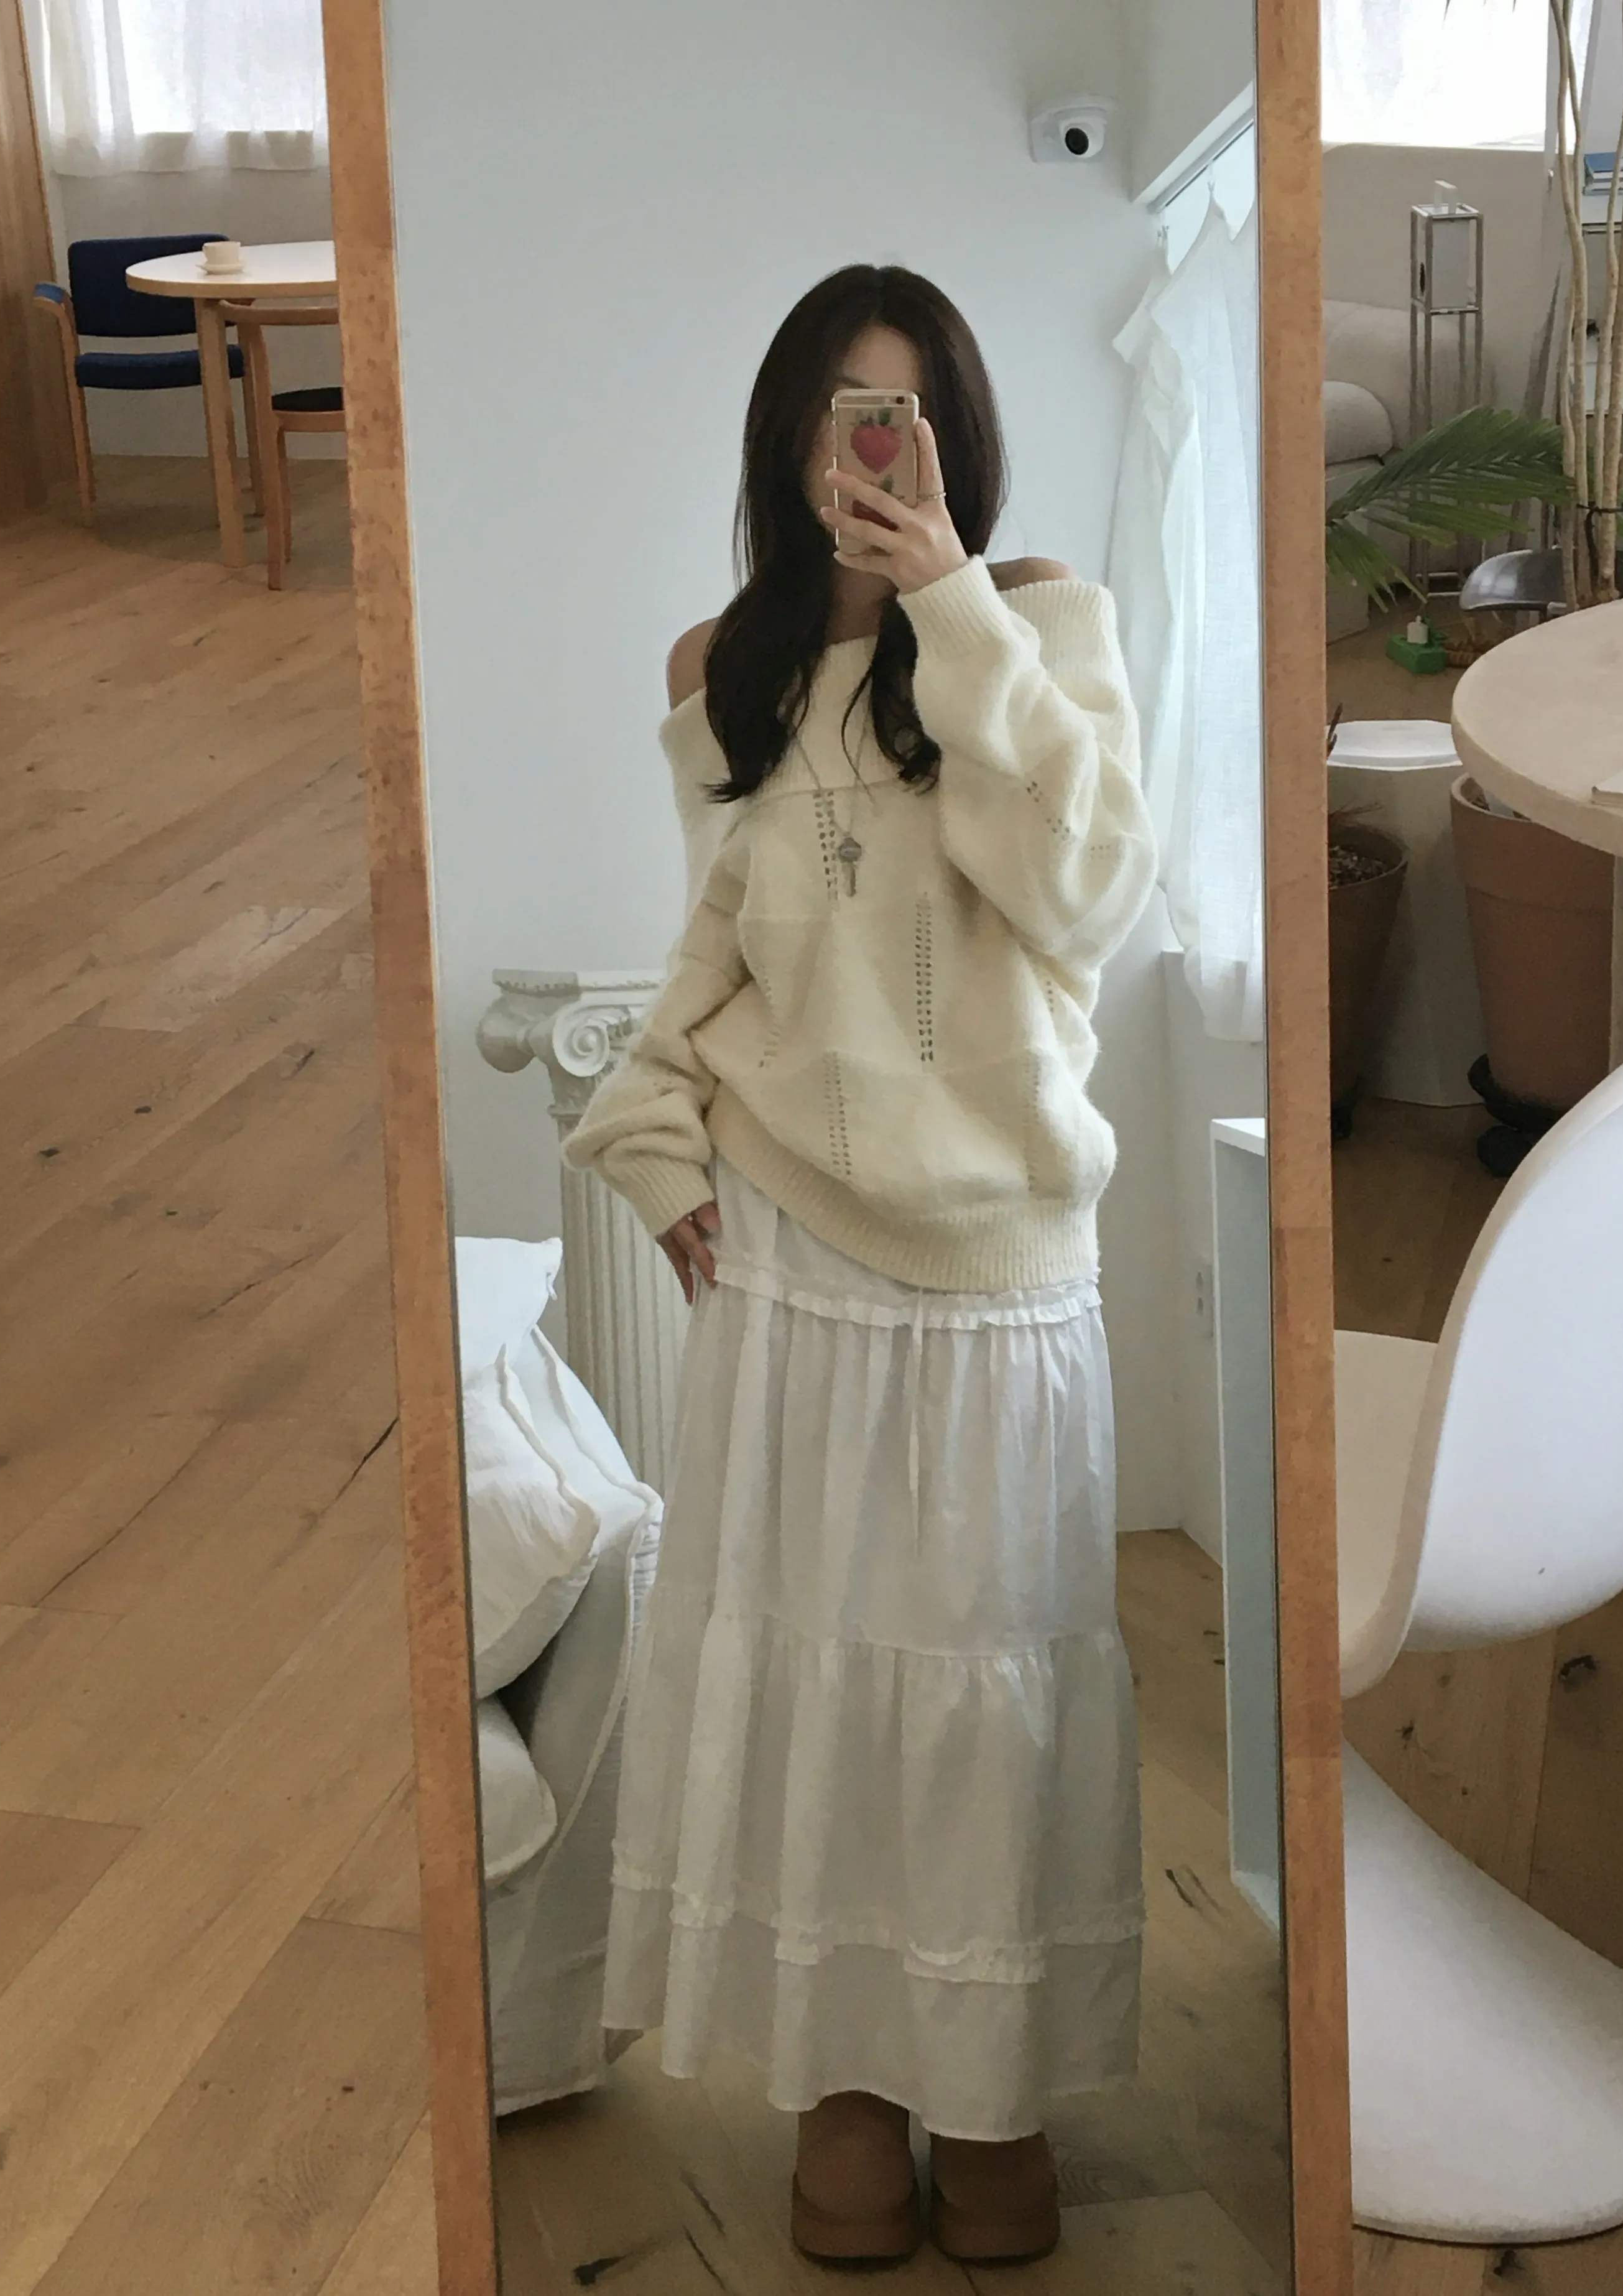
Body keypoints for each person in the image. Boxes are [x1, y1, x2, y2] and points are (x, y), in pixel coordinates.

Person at [562, 262, 1158, 2269]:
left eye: (905, 415)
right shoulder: (719, 668)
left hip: (1004, 1267)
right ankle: (842, 2083)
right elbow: (726, 948)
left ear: (955, 442)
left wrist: (953, 604)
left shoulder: (1040, 620)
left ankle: (990, 2086)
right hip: (799, 1259)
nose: (872, 450)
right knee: (820, 1672)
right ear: (788, 442)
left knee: (989, 1688)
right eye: (842, 413)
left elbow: (1086, 895)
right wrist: (652, 1136)